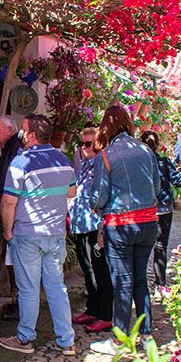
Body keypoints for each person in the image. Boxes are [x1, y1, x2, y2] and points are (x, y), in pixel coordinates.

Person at [0, 114, 77, 356]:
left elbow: (8, 202)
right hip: (55, 234)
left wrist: (7, 231)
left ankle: (24, 340)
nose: (20, 134)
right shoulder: (63, 160)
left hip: (27, 234)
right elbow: (71, 193)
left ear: (31, 135)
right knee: (56, 286)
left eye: (23, 129)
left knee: (29, 289)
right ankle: (66, 341)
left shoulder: (21, 163)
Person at [88, 105, 160, 355]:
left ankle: (119, 340)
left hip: (121, 225)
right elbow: (158, 185)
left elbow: (97, 198)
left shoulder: (106, 156)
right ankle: (147, 335)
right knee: (140, 279)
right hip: (148, 223)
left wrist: (97, 208)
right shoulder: (146, 150)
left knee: (123, 282)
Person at [68, 126, 113, 332]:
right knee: (88, 270)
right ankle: (92, 309)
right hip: (80, 225)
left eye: (89, 143)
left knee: (99, 272)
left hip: (94, 226)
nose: (84, 147)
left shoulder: (100, 165)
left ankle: (104, 314)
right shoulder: (84, 165)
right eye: (82, 144)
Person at [140, 130, 181, 295]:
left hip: (145, 210)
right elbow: (178, 181)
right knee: (160, 246)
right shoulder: (164, 162)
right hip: (164, 209)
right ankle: (160, 284)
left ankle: (140, 282)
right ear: (158, 144)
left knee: (142, 247)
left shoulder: (139, 165)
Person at [0, 115, 23, 315]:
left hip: (16, 220)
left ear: (9, 130)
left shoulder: (16, 149)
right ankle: (18, 302)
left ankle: (20, 305)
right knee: (12, 263)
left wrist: (8, 222)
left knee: (17, 265)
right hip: (10, 218)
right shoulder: (9, 149)